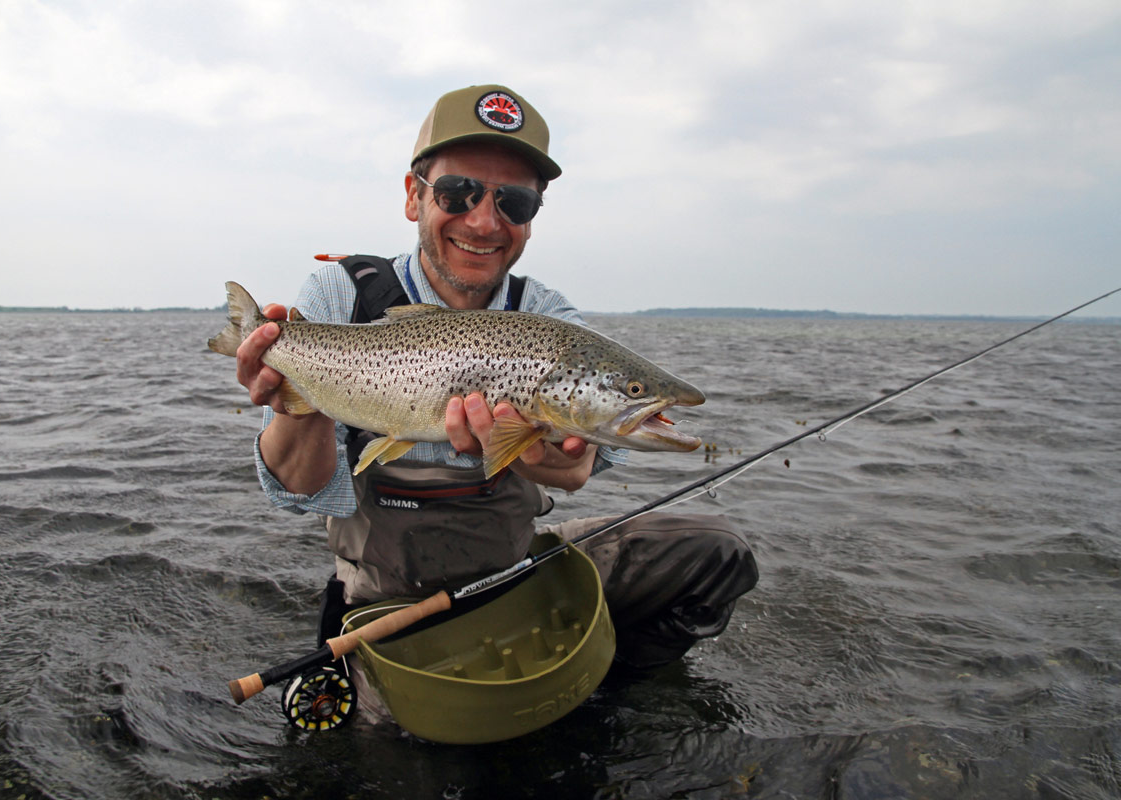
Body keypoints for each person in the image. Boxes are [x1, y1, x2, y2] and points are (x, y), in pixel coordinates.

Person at [234, 84, 758, 681]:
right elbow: (300, 488)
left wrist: (549, 454)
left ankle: (616, 680)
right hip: (382, 600)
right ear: (413, 196)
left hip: (513, 565)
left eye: (514, 202)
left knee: (717, 552)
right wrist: (297, 403)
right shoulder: (338, 295)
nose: (484, 222)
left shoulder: (548, 317)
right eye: (458, 192)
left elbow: (576, 469)